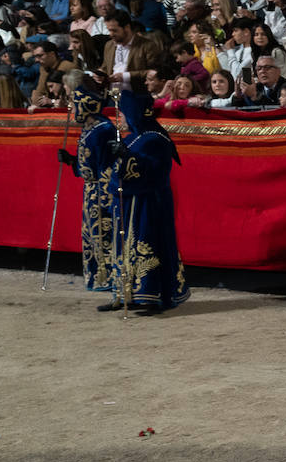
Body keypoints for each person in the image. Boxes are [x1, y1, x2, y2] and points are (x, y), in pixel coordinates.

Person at [99, 88, 189, 315]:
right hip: (128, 202)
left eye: (122, 114)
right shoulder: (135, 137)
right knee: (122, 247)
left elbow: (151, 171)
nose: (118, 119)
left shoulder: (155, 139)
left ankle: (150, 296)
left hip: (148, 203)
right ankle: (124, 294)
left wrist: (127, 156)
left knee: (146, 244)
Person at [57, 80, 120, 294]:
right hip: (91, 189)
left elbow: (106, 166)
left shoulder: (103, 130)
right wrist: (71, 161)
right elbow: (87, 164)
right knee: (91, 234)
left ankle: (109, 276)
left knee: (104, 233)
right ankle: (98, 276)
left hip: (102, 191)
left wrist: (104, 194)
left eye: (75, 105)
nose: (72, 110)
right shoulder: (89, 128)